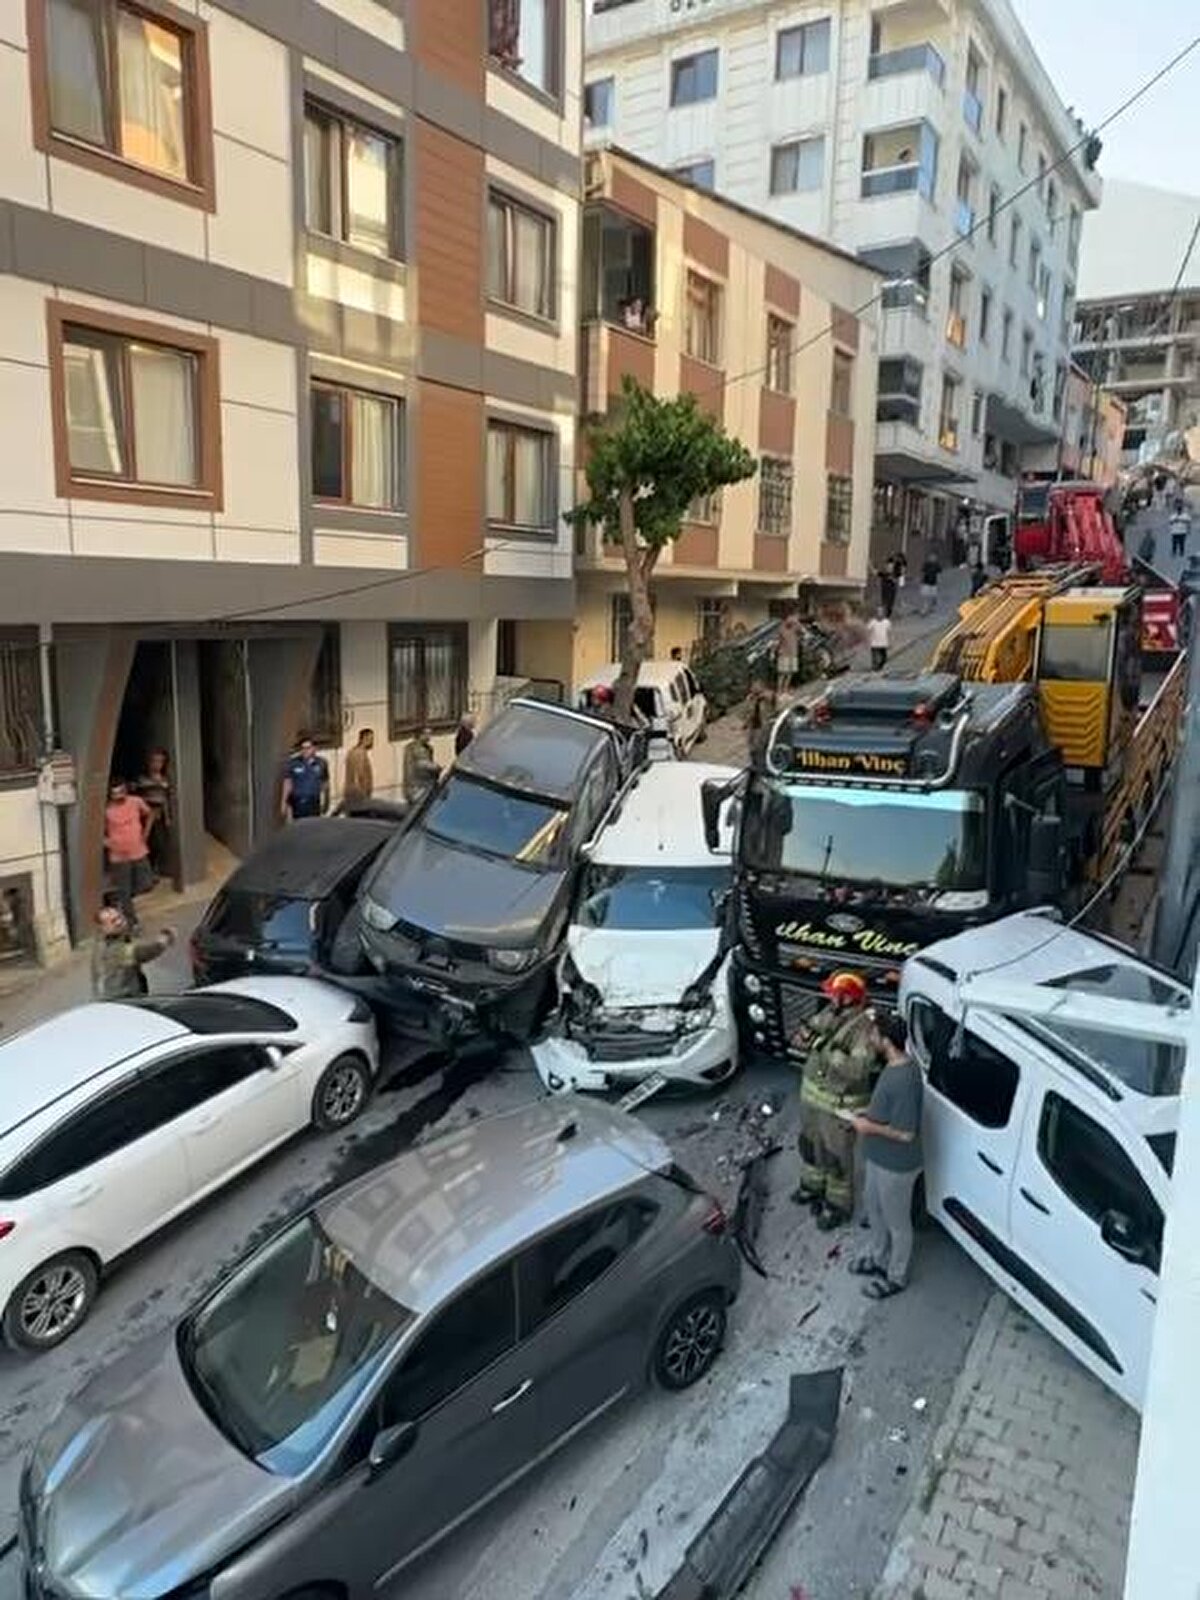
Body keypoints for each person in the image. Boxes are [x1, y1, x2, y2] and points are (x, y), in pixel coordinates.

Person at [791, 971, 879, 1230]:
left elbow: (858, 1070)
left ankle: (837, 1205)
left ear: (847, 998)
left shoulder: (865, 1029)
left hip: (838, 1108)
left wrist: (828, 1051)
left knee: (836, 1158)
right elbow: (809, 1034)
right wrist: (805, 1035)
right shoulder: (831, 1012)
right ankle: (812, 1186)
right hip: (812, 1099)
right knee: (810, 1145)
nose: (830, 998)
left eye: (834, 994)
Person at [848, 1012, 923, 1299]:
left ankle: (896, 1276)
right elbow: (886, 1110)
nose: (870, 1039)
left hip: (897, 1165)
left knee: (897, 1223)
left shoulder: (904, 1079)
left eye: (873, 1034)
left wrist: (867, 1126)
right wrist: (866, 1113)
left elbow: (906, 1134)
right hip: (878, 1157)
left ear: (887, 1041)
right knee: (874, 1207)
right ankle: (878, 1256)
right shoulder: (892, 1067)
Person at [91, 903, 176, 999]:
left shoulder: (110, 940)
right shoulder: (111, 950)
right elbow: (143, 953)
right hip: (121, 1000)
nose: (119, 922)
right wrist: (164, 939)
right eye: (113, 921)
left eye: (119, 917)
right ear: (103, 928)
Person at [104, 779, 153, 928]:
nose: (119, 796)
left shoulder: (135, 802)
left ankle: (120, 899)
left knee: (146, 883)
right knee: (124, 890)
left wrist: (145, 834)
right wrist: (107, 842)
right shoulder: (107, 809)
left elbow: (150, 814)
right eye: (115, 793)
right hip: (118, 856)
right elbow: (97, 829)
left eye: (121, 792)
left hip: (138, 851)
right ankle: (132, 922)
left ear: (126, 790)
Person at [136, 748, 173, 881]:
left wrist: (167, 817)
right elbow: (137, 797)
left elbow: (165, 799)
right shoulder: (142, 779)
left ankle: (155, 870)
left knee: (159, 844)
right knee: (146, 844)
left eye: (160, 761)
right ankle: (147, 873)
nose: (157, 764)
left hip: (159, 816)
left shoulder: (165, 780)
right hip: (145, 816)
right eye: (154, 761)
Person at [281, 734, 330, 822]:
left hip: (314, 802)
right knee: (299, 826)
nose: (305, 751)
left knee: (313, 826)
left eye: (308, 748)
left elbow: (325, 783)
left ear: (314, 749)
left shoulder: (321, 763)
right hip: (298, 802)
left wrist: (327, 800)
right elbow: (287, 783)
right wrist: (283, 802)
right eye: (302, 748)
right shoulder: (294, 763)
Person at [402, 726, 440, 804]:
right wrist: (435, 767)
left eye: (430, 734)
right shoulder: (413, 748)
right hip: (417, 786)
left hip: (427, 784)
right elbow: (420, 765)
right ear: (420, 735)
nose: (429, 736)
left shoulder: (428, 748)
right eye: (427, 734)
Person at [342, 728, 375, 808]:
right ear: (364, 738)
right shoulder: (360, 753)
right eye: (371, 739)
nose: (372, 742)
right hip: (359, 794)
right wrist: (365, 792)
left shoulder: (351, 752)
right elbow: (360, 774)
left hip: (350, 792)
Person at [776, 607, 801, 695]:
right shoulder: (782, 628)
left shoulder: (795, 627)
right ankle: (779, 690)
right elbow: (779, 639)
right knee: (782, 673)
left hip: (793, 653)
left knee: (790, 673)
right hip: (784, 654)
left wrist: (796, 621)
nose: (792, 620)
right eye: (790, 618)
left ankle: (785, 689)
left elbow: (801, 630)